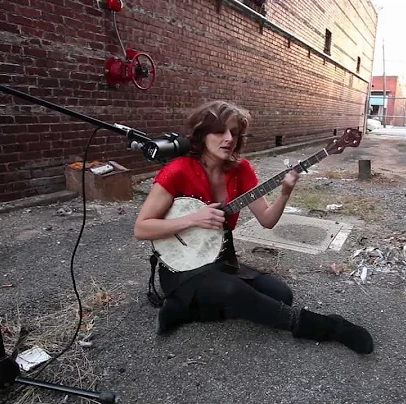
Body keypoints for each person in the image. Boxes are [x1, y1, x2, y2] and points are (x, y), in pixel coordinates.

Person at [134, 100, 374, 354]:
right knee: (233, 290)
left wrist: (285, 193)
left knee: (280, 294)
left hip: (220, 260)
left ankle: (182, 309)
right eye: (220, 132)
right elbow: (141, 228)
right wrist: (193, 219)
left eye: (235, 133)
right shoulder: (178, 170)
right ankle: (324, 326)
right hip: (181, 267)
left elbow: (267, 221)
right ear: (202, 134)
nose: (229, 139)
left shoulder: (241, 169)